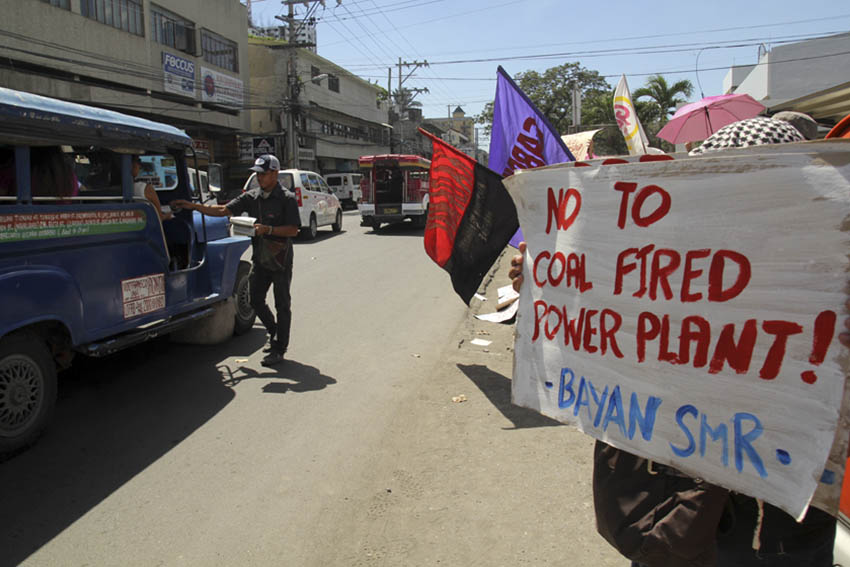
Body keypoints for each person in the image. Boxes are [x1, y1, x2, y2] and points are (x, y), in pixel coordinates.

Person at [508, 114, 845, 566]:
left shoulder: (827, 273)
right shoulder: (673, 265)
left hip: (781, 527)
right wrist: (544, 273)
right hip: (682, 514)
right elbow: (611, 317)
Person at [170, 154, 300, 366]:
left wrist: (268, 229)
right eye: (257, 174)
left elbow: (293, 229)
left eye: (263, 174)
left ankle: (279, 347)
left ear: (275, 174)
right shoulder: (252, 196)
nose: (259, 178)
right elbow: (223, 210)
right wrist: (192, 206)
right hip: (260, 257)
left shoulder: (287, 198)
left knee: (282, 303)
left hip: (280, 258)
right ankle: (274, 330)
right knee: (254, 300)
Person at [132, 155, 172, 221]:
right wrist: (168, 215)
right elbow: (159, 217)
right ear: (132, 165)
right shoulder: (145, 188)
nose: (139, 166)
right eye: (138, 162)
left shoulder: (114, 188)